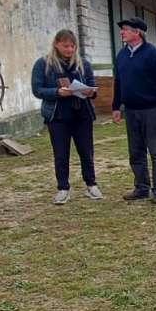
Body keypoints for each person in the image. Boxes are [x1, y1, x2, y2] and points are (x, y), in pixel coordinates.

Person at [31, 29, 102, 204]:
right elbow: (37, 90)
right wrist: (57, 92)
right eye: (65, 46)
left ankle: (91, 185)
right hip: (58, 116)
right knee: (61, 154)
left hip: (82, 115)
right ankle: (63, 188)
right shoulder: (43, 64)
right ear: (56, 44)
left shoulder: (83, 64)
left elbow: (92, 86)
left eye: (72, 46)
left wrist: (90, 91)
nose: (69, 49)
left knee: (86, 152)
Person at [110, 16, 156, 203]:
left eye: (125, 29)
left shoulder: (155, 55)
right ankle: (141, 187)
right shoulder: (122, 55)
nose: (121, 32)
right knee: (136, 152)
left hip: (153, 110)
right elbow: (118, 82)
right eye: (122, 29)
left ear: (137, 32)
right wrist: (116, 106)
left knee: (155, 151)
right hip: (131, 111)